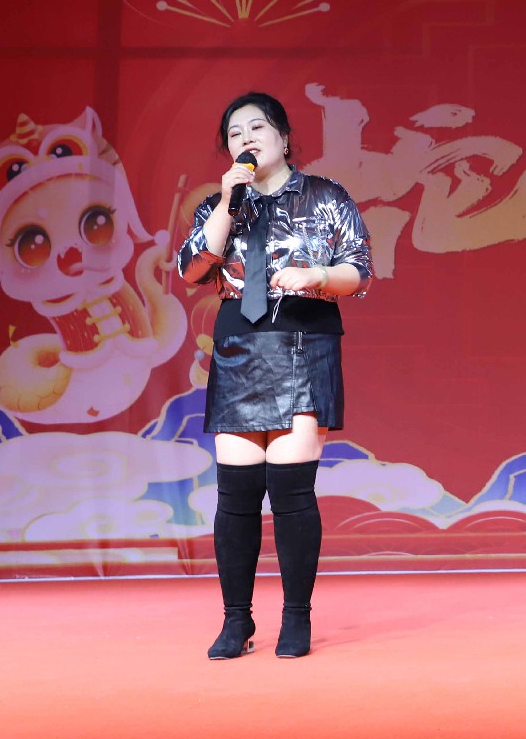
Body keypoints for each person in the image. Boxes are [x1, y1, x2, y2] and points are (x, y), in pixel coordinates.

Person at [178, 92, 373, 660]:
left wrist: (317, 276)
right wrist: (226, 201)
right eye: (234, 133)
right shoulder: (218, 205)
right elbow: (193, 269)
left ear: (284, 138)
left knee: (291, 493)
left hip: (303, 342)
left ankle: (296, 617)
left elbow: (360, 272)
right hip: (240, 347)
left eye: (257, 128)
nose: (246, 139)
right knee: (236, 497)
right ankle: (235, 620)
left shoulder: (326, 196)